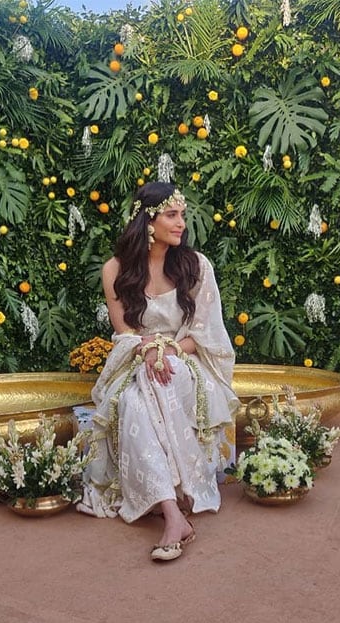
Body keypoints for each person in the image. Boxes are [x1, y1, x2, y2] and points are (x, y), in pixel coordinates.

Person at [77, 182, 240, 562]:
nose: (181, 223)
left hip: (187, 363)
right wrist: (149, 351)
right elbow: (124, 332)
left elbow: (205, 334)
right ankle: (172, 513)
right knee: (135, 399)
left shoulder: (196, 266)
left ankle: (171, 511)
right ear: (148, 221)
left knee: (154, 380)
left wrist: (165, 349)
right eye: (172, 214)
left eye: (182, 215)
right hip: (137, 362)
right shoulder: (115, 270)